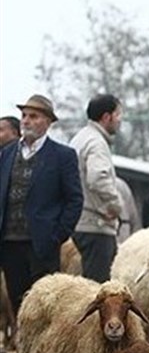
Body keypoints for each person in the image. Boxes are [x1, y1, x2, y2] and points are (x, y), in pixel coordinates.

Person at [0, 94, 82, 317]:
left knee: (44, 307)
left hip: (42, 244)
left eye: (33, 116)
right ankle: (22, 350)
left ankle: (42, 352)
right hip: (9, 243)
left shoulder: (62, 155)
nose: (26, 120)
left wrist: (58, 235)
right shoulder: (6, 154)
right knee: (17, 303)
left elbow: (74, 199)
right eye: (24, 116)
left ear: (47, 122)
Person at [69, 94, 124, 282]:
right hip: (96, 226)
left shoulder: (80, 139)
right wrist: (115, 205)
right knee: (98, 290)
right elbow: (98, 177)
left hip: (79, 223)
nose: (120, 121)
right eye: (118, 115)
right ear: (107, 117)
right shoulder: (96, 143)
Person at [116, 176, 142, 243]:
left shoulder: (119, 185)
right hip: (125, 229)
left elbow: (133, 215)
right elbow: (133, 215)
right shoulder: (123, 185)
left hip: (119, 227)